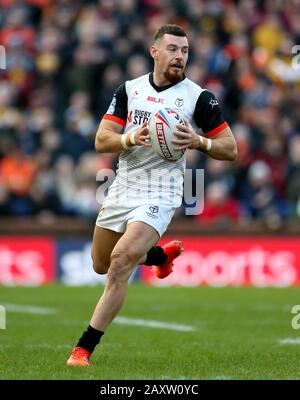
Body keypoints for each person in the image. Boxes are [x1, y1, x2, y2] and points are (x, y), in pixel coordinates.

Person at [66, 24, 237, 367]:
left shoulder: (198, 97)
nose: (180, 56)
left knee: (119, 263)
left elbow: (230, 148)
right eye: (172, 49)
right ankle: (159, 257)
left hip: (163, 189)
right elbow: (102, 139)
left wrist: (199, 142)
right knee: (100, 263)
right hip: (124, 184)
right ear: (154, 51)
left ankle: (82, 349)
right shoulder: (129, 90)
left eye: (185, 51)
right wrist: (130, 138)